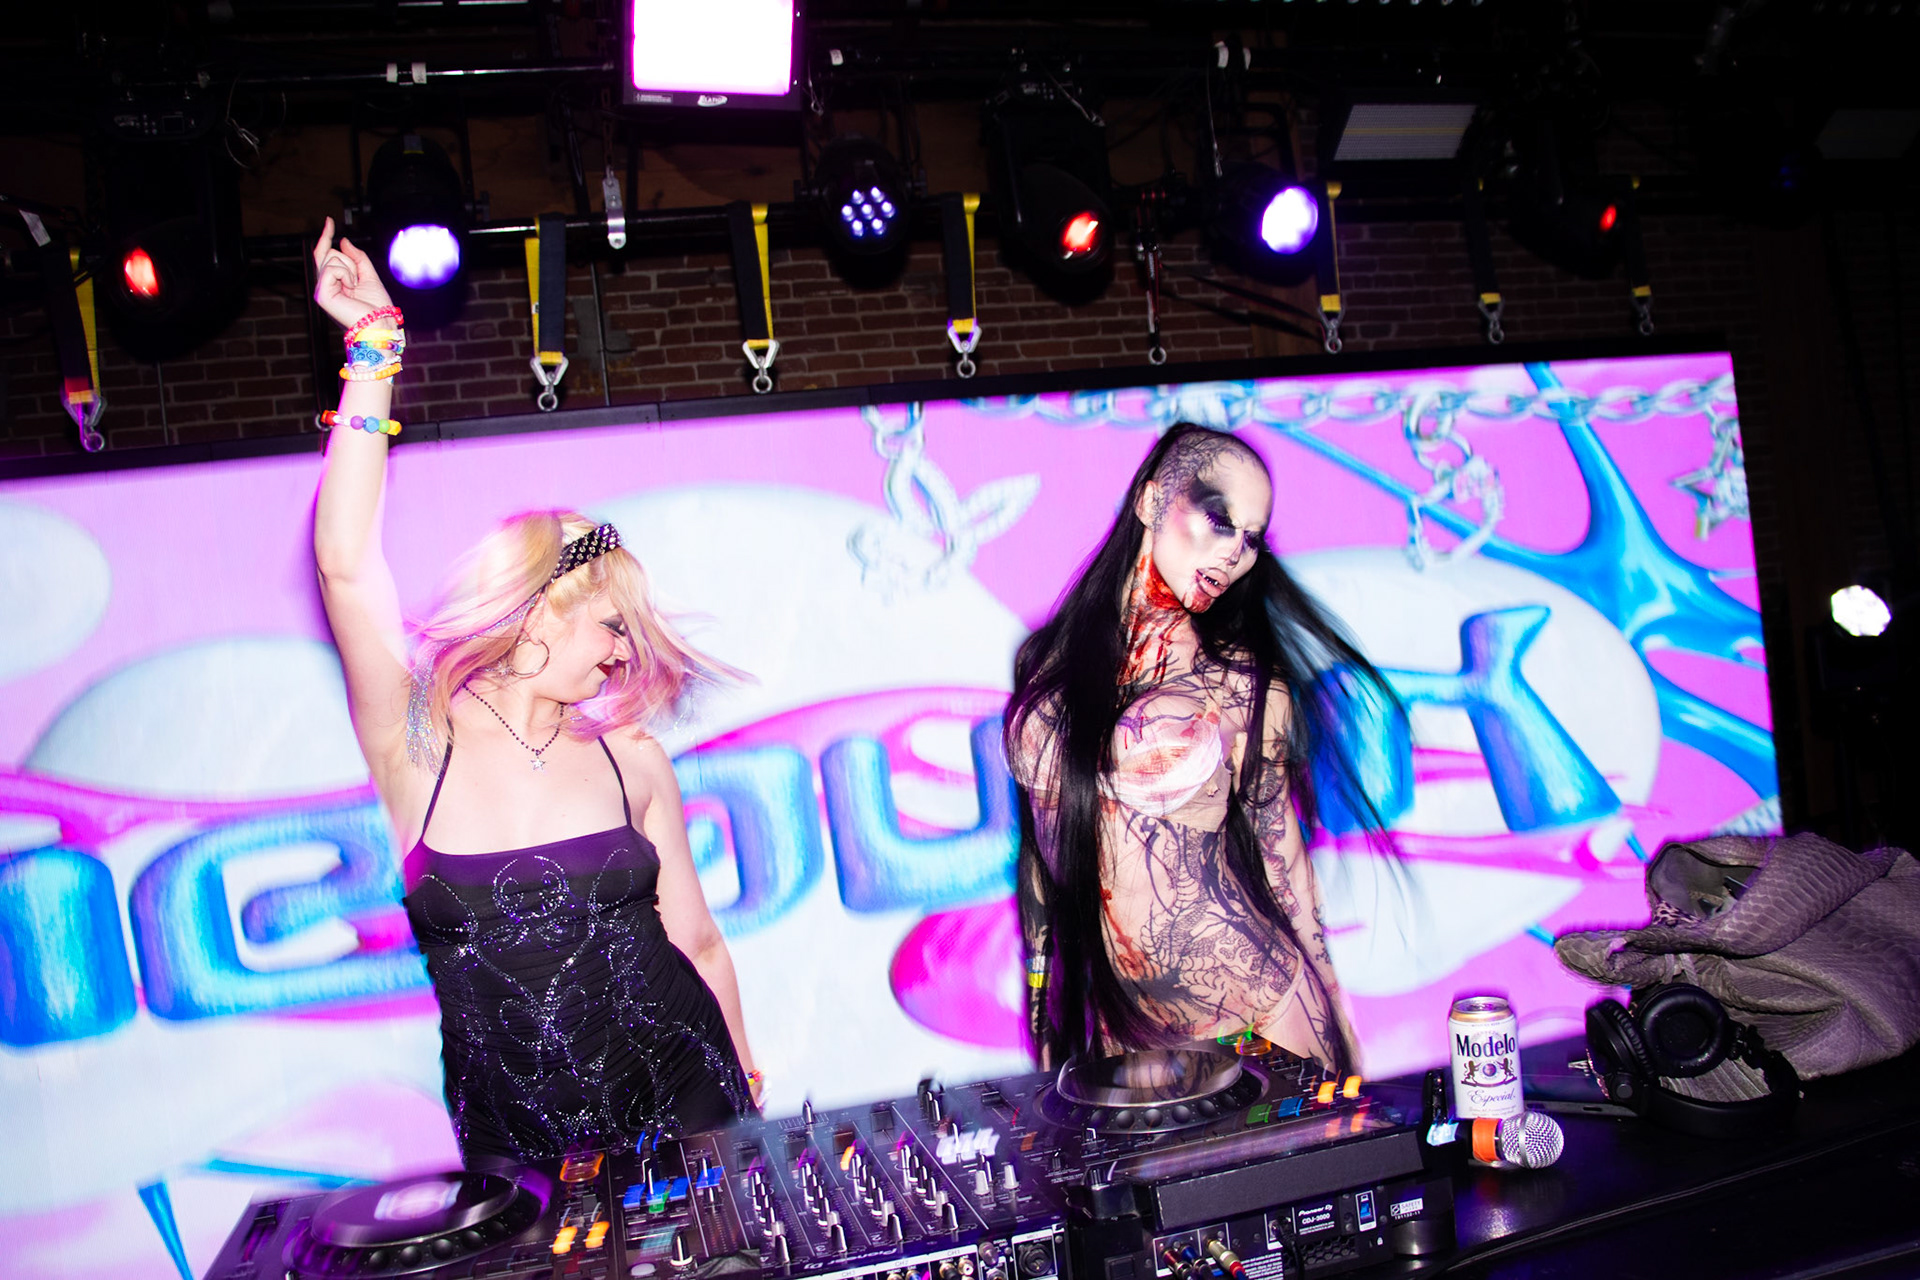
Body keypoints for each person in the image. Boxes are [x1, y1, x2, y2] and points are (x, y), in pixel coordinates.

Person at [308, 219, 759, 1165]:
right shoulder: (417, 741)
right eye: (612, 626)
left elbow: (698, 942)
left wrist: (748, 1083)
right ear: (541, 612)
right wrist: (374, 350)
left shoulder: (629, 758)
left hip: (688, 1103)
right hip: (519, 1152)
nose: (623, 655)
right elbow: (346, 567)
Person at [1006, 423, 1398, 1077]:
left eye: (1251, 539)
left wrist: (1340, 1018)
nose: (1235, 554)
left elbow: (1285, 868)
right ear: (1151, 501)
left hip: (1256, 1012)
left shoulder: (1242, 684)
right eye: (1219, 521)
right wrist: (1044, 1007)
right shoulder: (1046, 665)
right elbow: (1042, 861)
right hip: (1127, 1031)